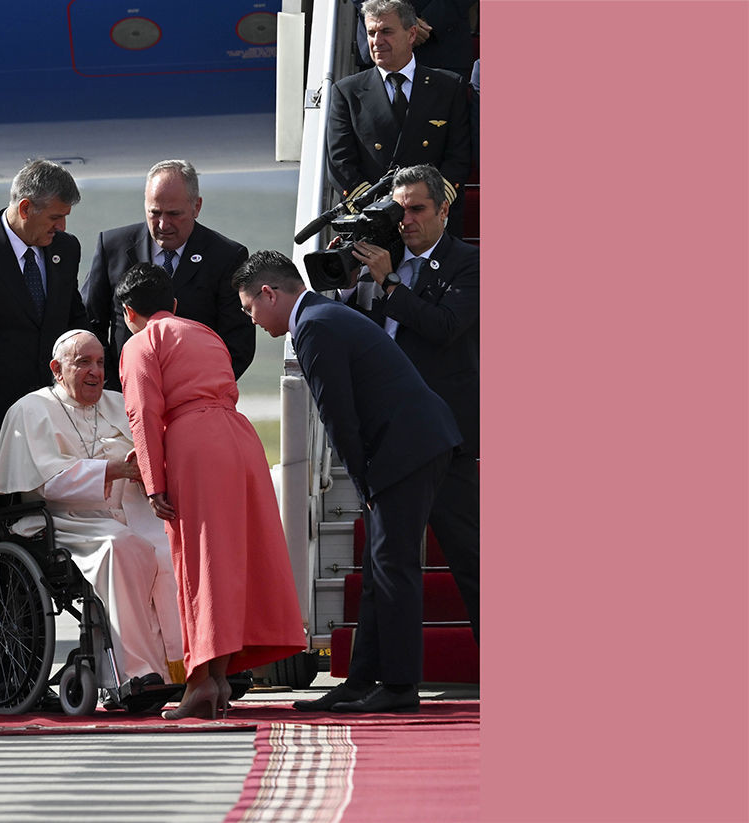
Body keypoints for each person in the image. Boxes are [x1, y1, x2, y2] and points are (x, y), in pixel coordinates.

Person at [234, 251, 465, 714]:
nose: (252, 320)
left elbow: (338, 418)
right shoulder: (323, 315)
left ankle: (399, 688)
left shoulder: (315, 325)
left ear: (269, 293)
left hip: (408, 449)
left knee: (394, 569)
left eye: (249, 308)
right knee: (380, 570)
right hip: (413, 443)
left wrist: (363, 485)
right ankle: (360, 681)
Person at [116, 263, 306, 720]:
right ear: (175, 304)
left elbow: (143, 412)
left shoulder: (142, 342)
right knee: (233, 558)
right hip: (239, 438)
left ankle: (203, 681)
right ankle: (215, 677)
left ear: (128, 312)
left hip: (195, 443)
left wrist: (152, 480)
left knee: (199, 563)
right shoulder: (204, 333)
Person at [0, 330, 185, 686]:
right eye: (83, 362)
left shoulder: (117, 403)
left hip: (129, 512)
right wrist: (113, 469)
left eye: (99, 363)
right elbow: (47, 484)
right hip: (63, 519)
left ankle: (186, 667)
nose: (95, 371)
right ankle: (136, 673)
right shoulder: (32, 409)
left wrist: (148, 471)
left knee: (173, 551)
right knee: (122, 549)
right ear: (57, 368)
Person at [337, 165, 480, 641]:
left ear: (444, 209)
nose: (407, 220)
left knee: (472, 558)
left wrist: (392, 284)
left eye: (418, 208)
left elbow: (443, 327)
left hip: (447, 436)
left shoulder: (468, 262)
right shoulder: (380, 258)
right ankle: (380, 677)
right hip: (391, 437)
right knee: (386, 561)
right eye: (400, 210)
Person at [0, 158, 90, 568]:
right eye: (55, 217)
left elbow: (72, 322)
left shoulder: (65, 249)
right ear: (26, 209)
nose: (60, 227)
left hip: (50, 429)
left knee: (41, 549)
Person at [81, 160, 253, 391]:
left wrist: (197, 391)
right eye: (155, 213)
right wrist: (113, 386)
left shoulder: (226, 257)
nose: (163, 224)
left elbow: (237, 342)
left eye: (174, 214)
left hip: (194, 400)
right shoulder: (112, 247)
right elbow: (90, 324)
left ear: (197, 207)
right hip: (122, 396)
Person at [326, 0, 473, 226]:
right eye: (371, 32)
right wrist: (378, 207)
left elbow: (459, 155)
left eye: (386, 31)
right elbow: (340, 162)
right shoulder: (347, 92)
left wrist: (427, 205)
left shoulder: (449, 87)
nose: (377, 41)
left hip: (433, 221)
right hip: (375, 220)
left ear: (411, 34)